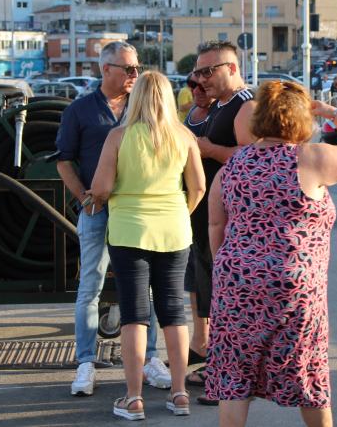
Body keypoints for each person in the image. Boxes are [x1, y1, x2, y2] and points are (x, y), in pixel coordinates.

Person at [205, 81, 337, 427]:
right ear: (300, 120)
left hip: (235, 281)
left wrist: (232, 271)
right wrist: (336, 114)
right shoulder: (310, 159)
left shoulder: (232, 167)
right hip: (294, 285)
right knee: (308, 373)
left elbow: (215, 227)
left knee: (234, 378)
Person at [55, 41, 171, 397]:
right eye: (129, 69)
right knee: (89, 286)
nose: (135, 75)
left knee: (143, 287)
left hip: (136, 210)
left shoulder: (144, 108)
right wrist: (84, 199)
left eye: (137, 68)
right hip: (99, 210)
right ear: (105, 70)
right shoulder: (79, 110)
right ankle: (86, 362)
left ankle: (151, 358)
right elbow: (64, 160)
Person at [90, 71, 207, 421]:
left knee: (134, 314)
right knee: (173, 310)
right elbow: (198, 187)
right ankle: (180, 393)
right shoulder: (184, 136)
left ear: (137, 97)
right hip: (173, 231)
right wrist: (178, 213)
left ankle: (133, 397)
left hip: (129, 232)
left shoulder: (118, 137)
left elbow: (101, 188)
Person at [186, 41, 256, 404]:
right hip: (207, 219)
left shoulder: (246, 105)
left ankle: (227, 376)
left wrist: (209, 149)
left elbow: (255, 155)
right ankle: (217, 363)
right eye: (197, 72)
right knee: (211, 294)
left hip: (229, 222)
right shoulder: (220, 106)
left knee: (227, 299)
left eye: (207, 72)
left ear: (230, 67)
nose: (201, 79)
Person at [181, 77, 214, 371]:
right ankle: (199, 341)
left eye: (202, 87)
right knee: (192, 278)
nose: (197, 91)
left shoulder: (217, 116)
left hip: (209, 205)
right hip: (190, 207)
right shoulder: (189, 115)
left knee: (207, 275)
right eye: (192, 85)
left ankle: (210, 346)